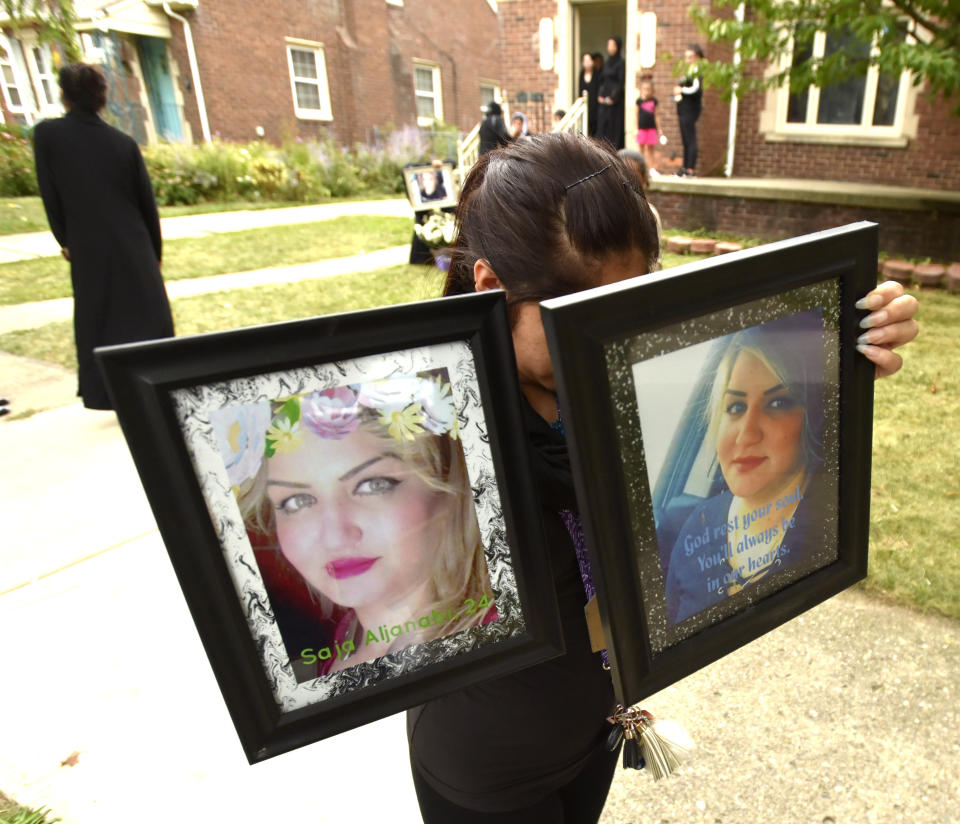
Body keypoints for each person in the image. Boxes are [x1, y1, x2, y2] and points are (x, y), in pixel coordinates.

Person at [405, 131, 919, 822]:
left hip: (595, 733)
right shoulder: (426, 424)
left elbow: (765, 388)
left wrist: (844, 345)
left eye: (631, 315)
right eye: (577, 329)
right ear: (493, 287)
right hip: (485, 764)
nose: (610, 352)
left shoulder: (637, 384)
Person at [213, 375, 494, 677]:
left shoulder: (491, 649)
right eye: (297, 501)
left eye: (373, 485)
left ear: (449, 482)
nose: (334, 537)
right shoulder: (349, 636)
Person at [663, 312, 830, 624]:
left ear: (811, 418)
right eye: (736, 407)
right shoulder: (694, 531)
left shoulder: (830, 519)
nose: (746, 433)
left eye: (778, 403)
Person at [33, 63, 173, 410]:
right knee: (145, 314)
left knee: (99, 316)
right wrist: (154, 252)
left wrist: (65, 239)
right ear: (102, 96)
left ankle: (107, 392)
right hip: (133, 242)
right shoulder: (122, 143)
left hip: (88, 242)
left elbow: (51, 194)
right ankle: (155, 384)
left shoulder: (48, 136)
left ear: (64, 95)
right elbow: (146, 204)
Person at [673, 44, 704, 177]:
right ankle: (685, 167)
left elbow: (697, 90)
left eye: (691, 57)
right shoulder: (688, 72)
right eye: (686, 57)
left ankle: (690, 169)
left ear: (698, 58)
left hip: (690, 110)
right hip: (683, 109)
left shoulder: (697, 71)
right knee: (685, 139)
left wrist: (682, 90)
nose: (688, 60)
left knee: (690, 139)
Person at [595, 37, 625, 150]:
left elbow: (620, 82)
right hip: (604, 100)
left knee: (614, 127)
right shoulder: (607, 62)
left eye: (612, 45)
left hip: (615, 102)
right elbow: (603, 80)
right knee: (603, 126)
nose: (609, 47)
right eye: (608, 45)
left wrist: (612, 98)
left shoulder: (621, 62)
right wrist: (600, 95)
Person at [635, 75, 663, 175]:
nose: (646, 91)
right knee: (641, 150)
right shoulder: (639, 101)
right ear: (641, 89)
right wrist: (636, 129)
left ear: (652, 90)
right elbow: (636, 115)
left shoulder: (654, 101)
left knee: (651, 150)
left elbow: (657, 116)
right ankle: (640, 169)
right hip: (642, 128)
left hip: (651, 128)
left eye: (648, 89)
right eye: (644, 89)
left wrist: (659, 129)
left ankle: (652, 169)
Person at [578, 52, 599, 137]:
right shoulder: (581, 74)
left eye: (589, 60)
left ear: (592, 62)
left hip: (596, 106)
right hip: (585, 106)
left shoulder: (597, 74)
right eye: (585, 61)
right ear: (582, 63)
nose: (587, 63)